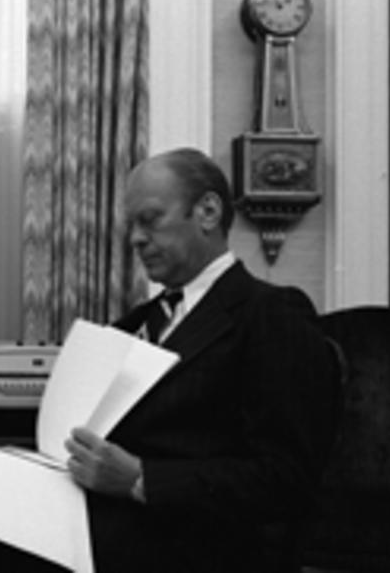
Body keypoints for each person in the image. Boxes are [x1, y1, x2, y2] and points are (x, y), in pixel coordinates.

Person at [63, 147, 339, 572]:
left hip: (197, 550)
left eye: (150, 219)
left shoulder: (272, 315)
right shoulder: (128, 327)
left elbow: (287, 479)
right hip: (94, 529)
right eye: (132, 224)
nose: (135, 238)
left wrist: (141, 479)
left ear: (208, 211)